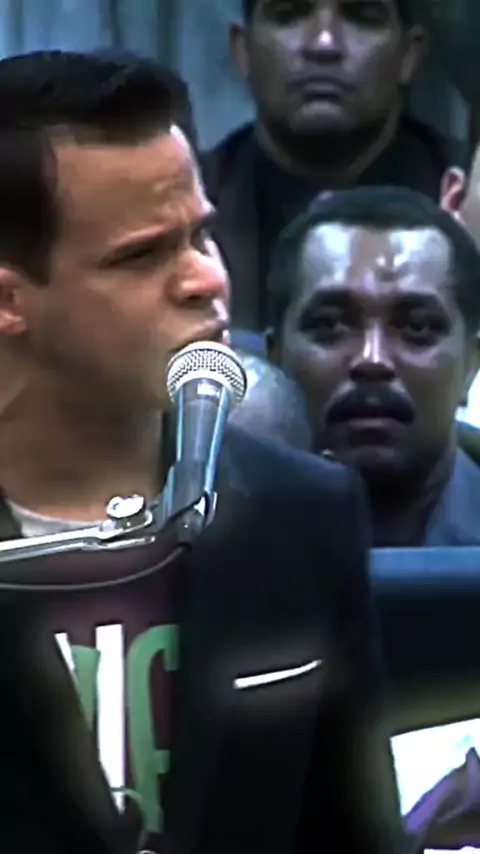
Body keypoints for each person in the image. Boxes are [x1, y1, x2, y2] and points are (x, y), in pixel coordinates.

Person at [0, 50, 404, 854]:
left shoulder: (301, 516)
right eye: (142, 255)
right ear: (10, 298)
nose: (207, 281)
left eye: (202, 234)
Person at [201, 0, 464, 330]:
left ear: (409, 55)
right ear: (243, 50)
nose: (324, 44)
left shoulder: (470, 197)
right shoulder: (186, 209)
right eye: (289, 15)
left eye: (361, 17)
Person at [267, 185, 480, 546]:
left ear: (472, 365)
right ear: (276, 358)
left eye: (418, 327)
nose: (372, 359)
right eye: (330, 324)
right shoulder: (202, 543)